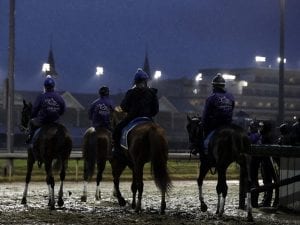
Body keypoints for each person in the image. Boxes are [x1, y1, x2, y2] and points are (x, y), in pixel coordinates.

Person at [112, 68, 159, 157]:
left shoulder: (131, 92)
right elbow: (155, 110)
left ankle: (116, 151)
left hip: (132, 118)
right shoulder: (152, 93)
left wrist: (128, 110)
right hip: (148, 118)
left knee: (117, 129)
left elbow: (123, 107)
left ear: (136, 81)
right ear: (146, 81)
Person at [200, 73, 235, 154]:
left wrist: (204, 125)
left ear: (213, 86)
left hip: (216, 127)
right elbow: (232, 110)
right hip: (229, 125)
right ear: (224, 86)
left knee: (206, 143)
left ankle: (206, 156)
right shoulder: (231, 97)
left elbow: (206, 115)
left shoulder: (211, 98)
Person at [26, 75, 66, 144]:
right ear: (54, 86)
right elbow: (63, 110)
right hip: (55, 122)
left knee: (31, 123)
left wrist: (32, 116)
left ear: (45, 86)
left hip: (43, 121)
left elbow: (34, 110)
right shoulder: (60, 97)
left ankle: (30, 139)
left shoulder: (41, 96)